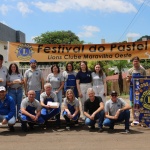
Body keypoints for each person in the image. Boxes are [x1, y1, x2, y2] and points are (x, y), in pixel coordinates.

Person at [126, 56, 146, 124]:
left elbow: (145, 80)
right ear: (132, 62)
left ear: (139, 62)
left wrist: (141, 79)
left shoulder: (142, 70)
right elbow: (127, 81)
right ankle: (135, 119)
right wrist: (129, 79)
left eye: (137, 61)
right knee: (132, 104)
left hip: (140, 89)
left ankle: (141, 119)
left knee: (140, 104)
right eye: (134, 61)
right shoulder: (130, 70)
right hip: (132, 88)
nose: (135, 62)